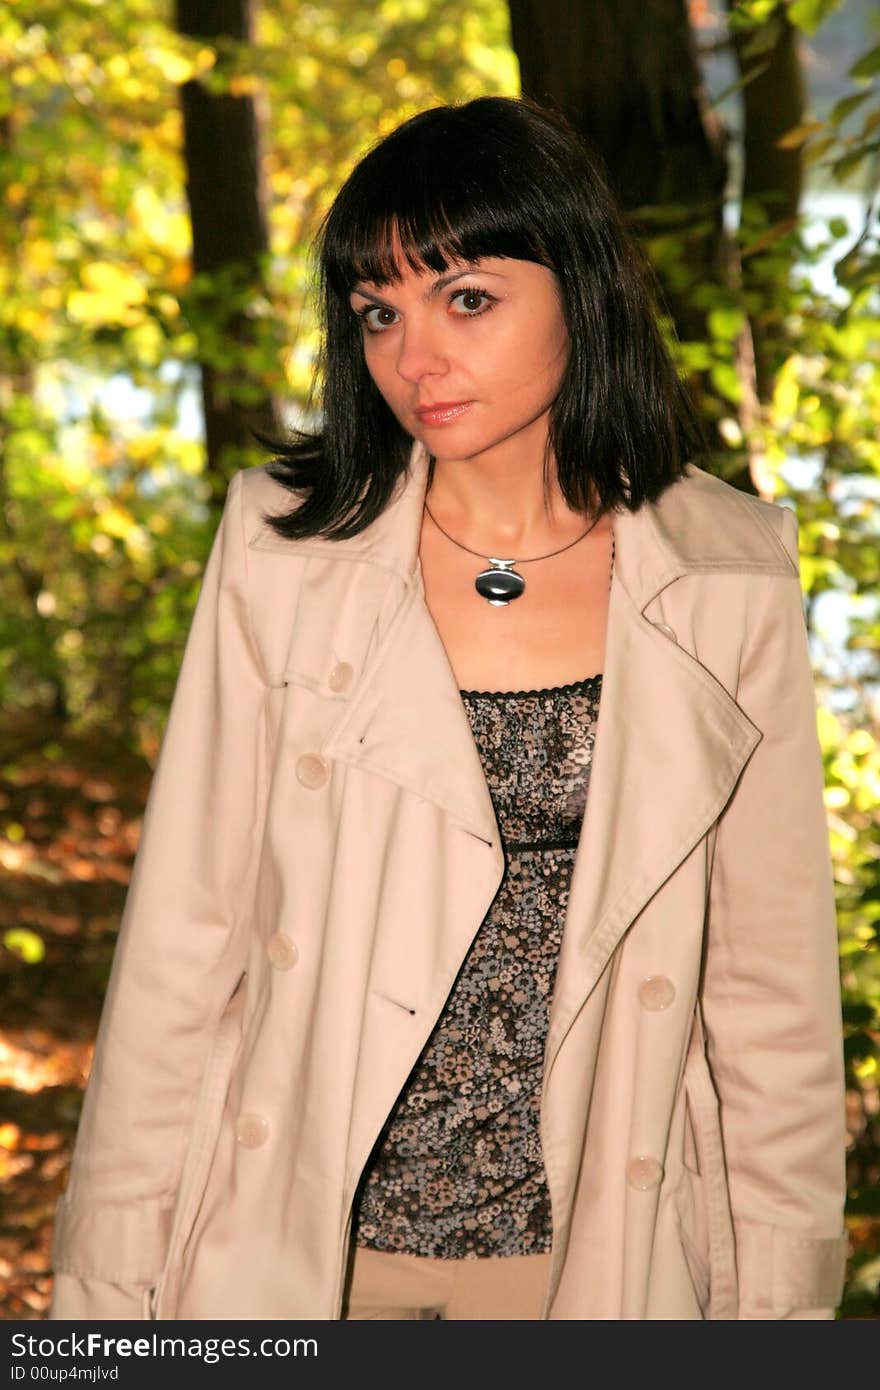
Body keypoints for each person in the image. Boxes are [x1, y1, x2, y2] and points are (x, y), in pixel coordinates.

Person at [49, 96, 847, 1322]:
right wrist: (106, 1298)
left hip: (596, 1248)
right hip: (301, 1243)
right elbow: (184, 939)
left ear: (579, 288)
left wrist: (781, 1309)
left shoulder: (727, 571)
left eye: (465, 298)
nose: (411, 357)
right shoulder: (286, 547)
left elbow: (768, 994)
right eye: (379, 312)